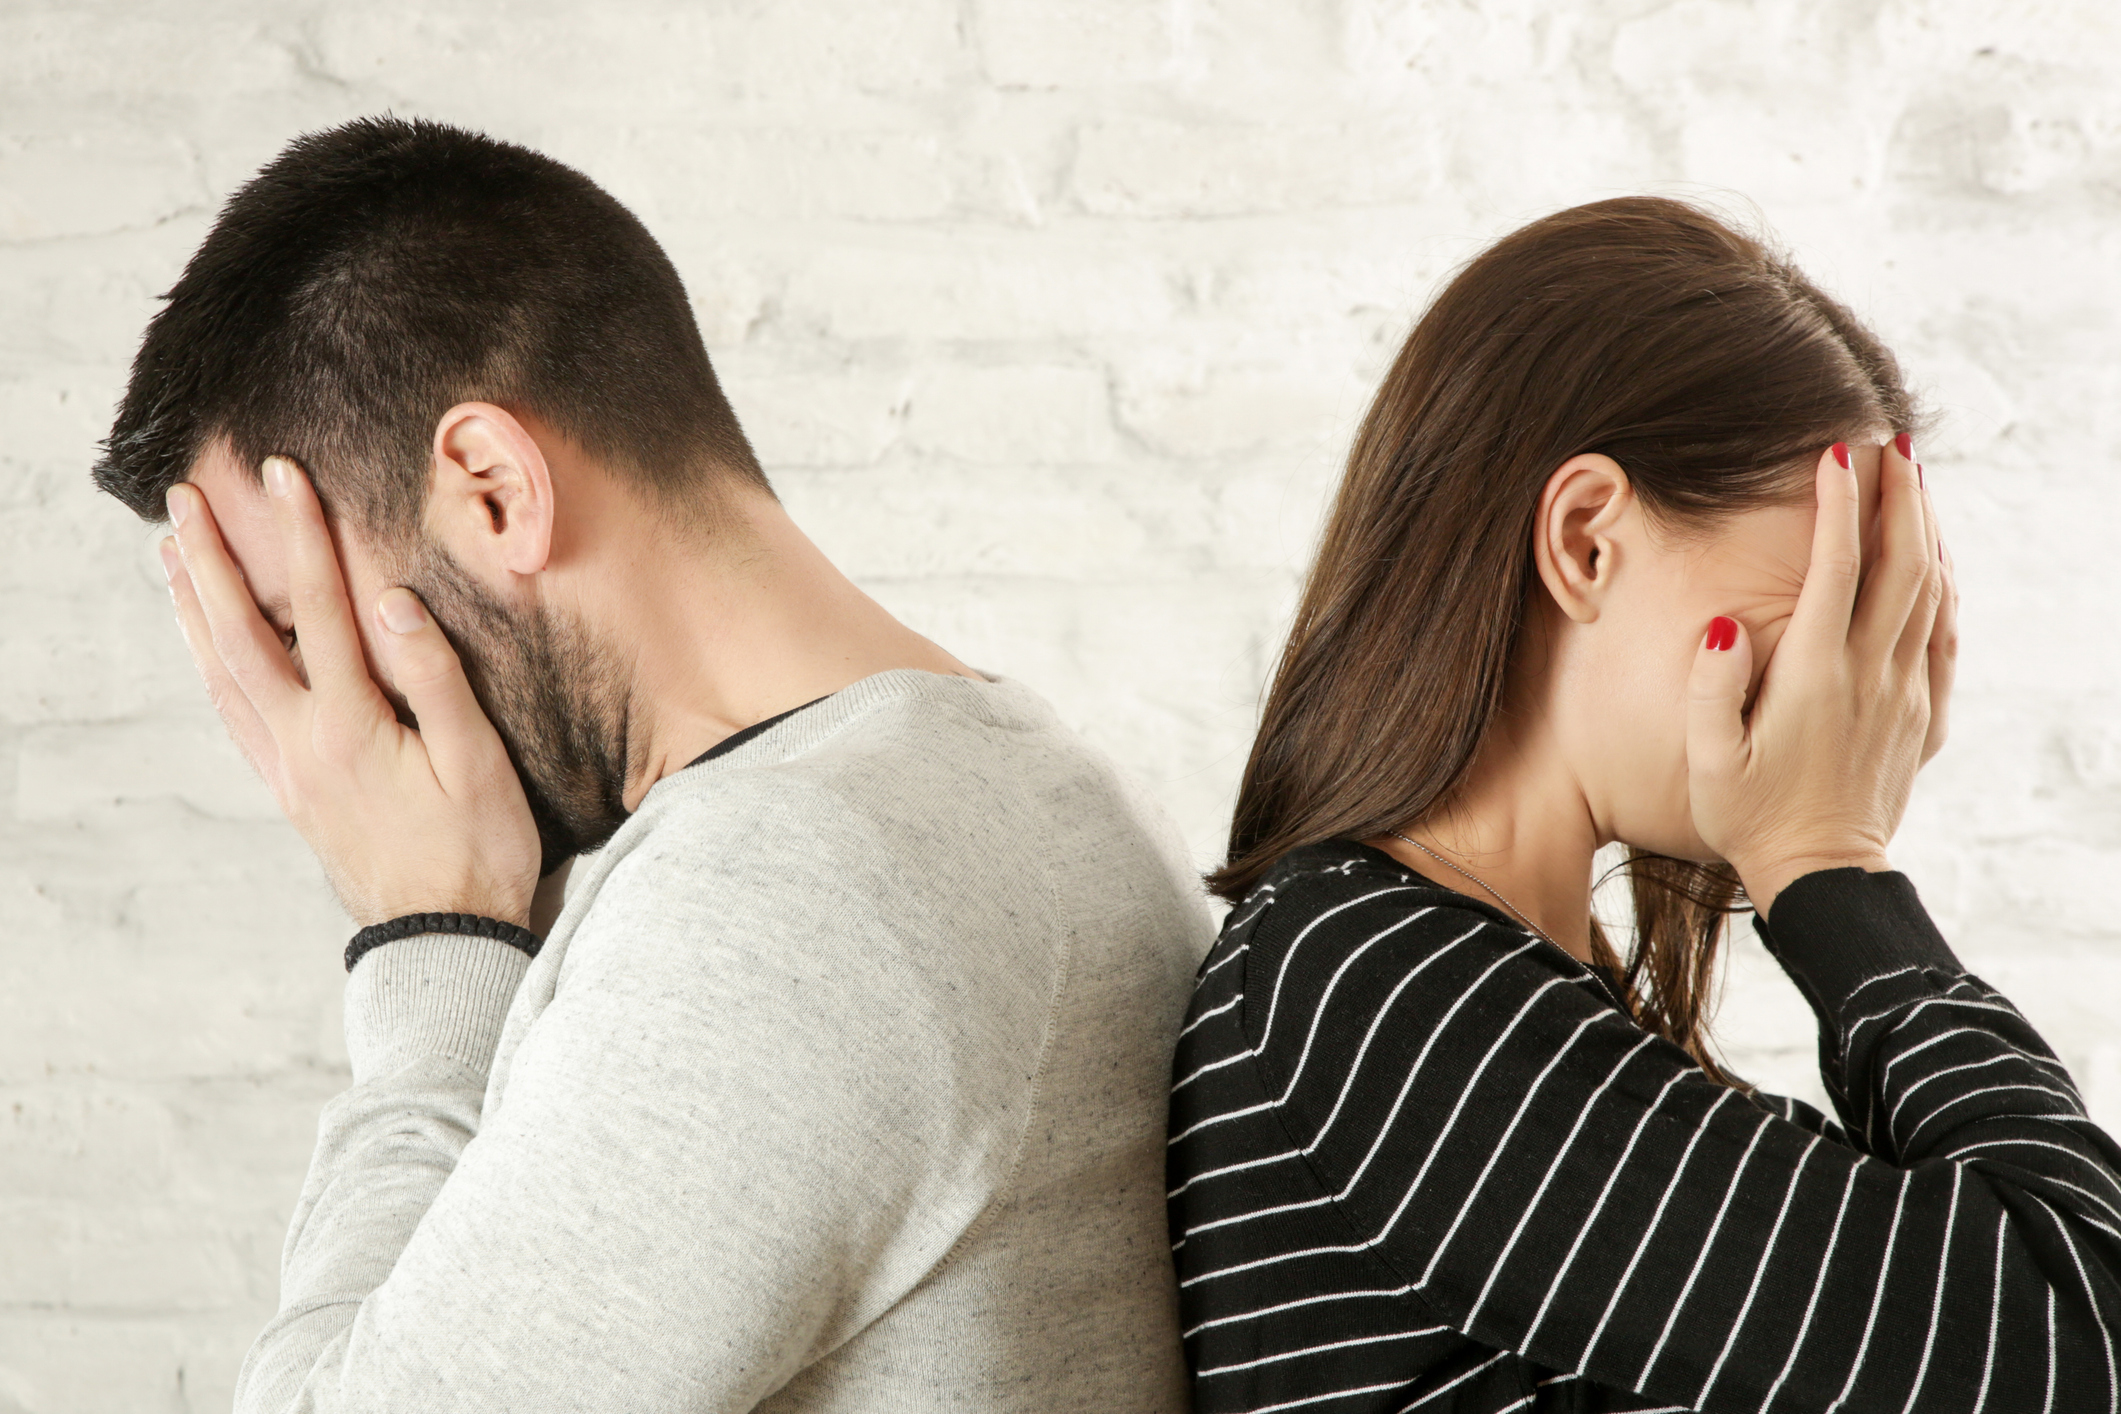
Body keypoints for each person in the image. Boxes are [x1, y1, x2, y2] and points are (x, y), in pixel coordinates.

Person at [93, 116, 1210, 1412]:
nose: (316, 724)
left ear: (493, 489)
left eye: (299, 627)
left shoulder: (789, 897)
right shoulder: (1017, 776)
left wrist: (426, 937)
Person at [1166, 198, 2121, 1412]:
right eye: (1824, 605)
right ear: (1585, 544)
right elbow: (2079, 1348)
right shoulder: (1372, 982)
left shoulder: (1495, 997)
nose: (1853, 689)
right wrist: (1831, 861)